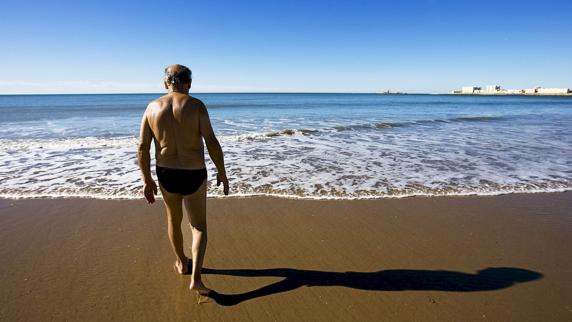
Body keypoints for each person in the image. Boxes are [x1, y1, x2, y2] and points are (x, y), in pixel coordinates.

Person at [138, 64, 229, 298]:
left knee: (174, 220)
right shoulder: (196, 105)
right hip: (194, 172)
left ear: (165, 83)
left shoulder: (151, 107)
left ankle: (181, 263)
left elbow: (142, 147)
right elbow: (210, 140)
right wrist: (222, 172)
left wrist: (147, 180)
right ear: (189, 83)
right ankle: (196, 279)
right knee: (198, 227)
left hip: (166, 172)